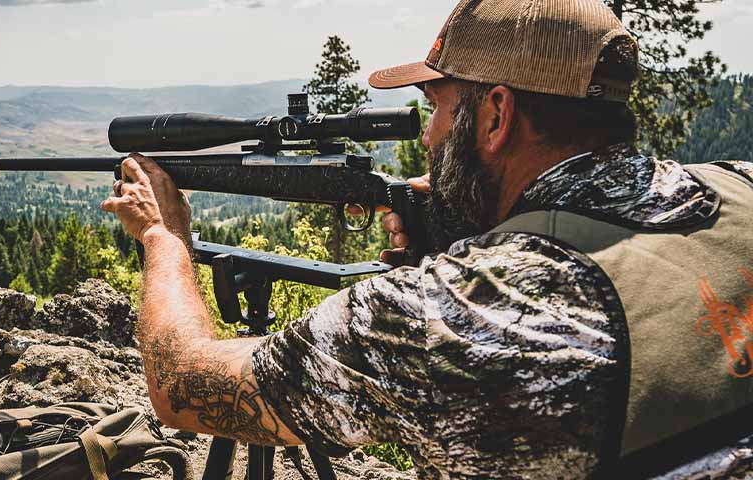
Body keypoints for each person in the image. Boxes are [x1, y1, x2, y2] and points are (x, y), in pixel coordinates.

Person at [100, 0, 753, 477]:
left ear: (496, 115)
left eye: (441, 108)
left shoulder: (471, 308)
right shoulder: (738, 190)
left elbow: (182, 385)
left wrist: (165, 237)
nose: (431, 136)